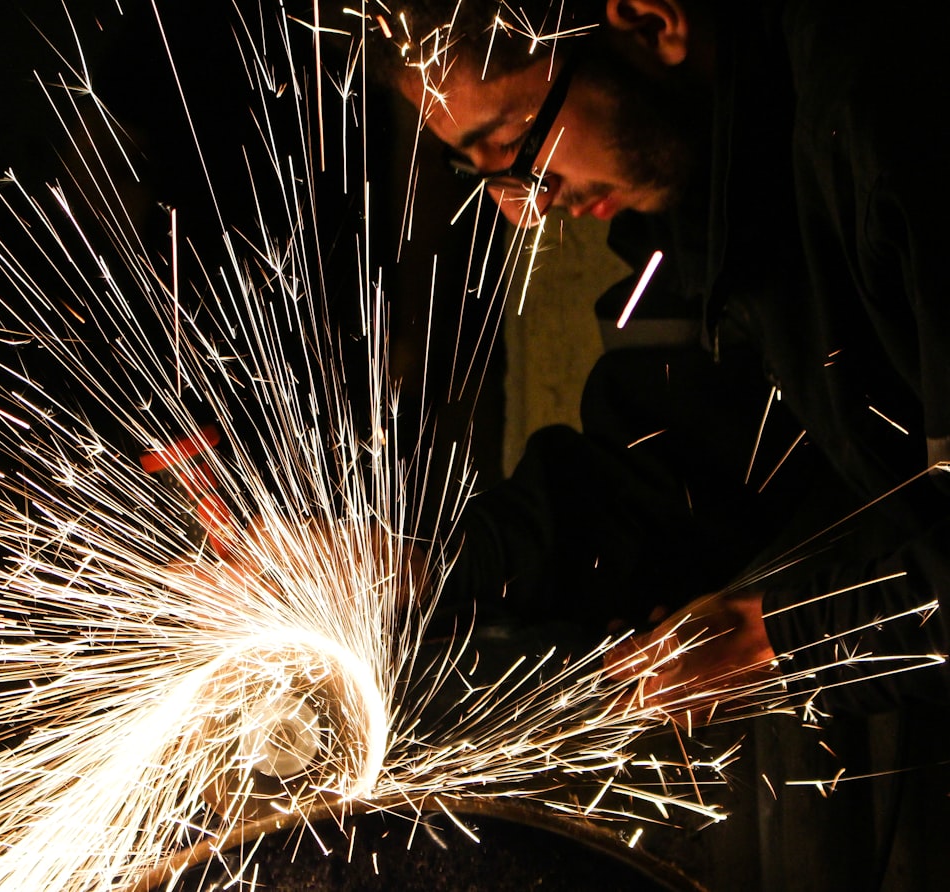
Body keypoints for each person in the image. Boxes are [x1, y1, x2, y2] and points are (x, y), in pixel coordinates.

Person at [337, 0, 950, 719]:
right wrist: (430, 565)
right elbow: (677, 470)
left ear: (654, 23)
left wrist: (781, 641)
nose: (524, 209)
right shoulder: (702, 181)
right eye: (480, 169)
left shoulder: (896, 122)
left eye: (513, 143)